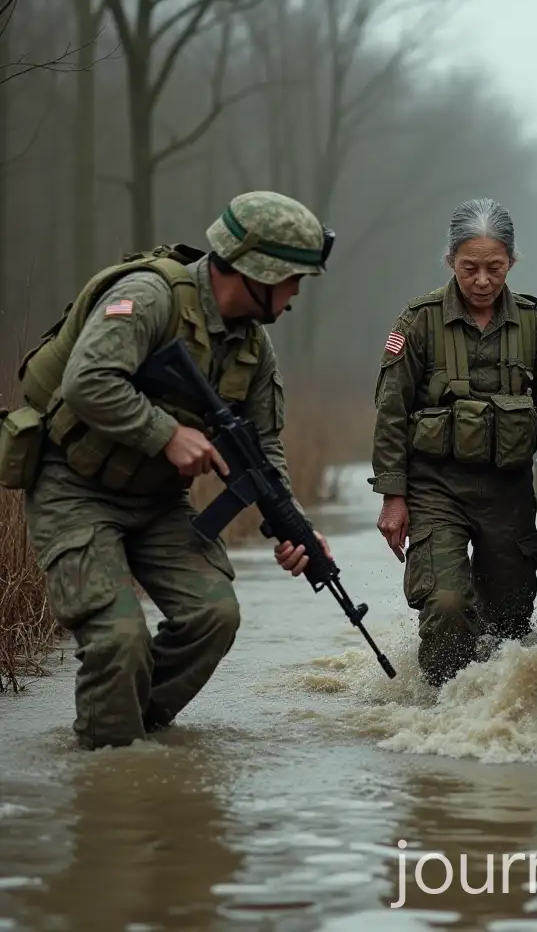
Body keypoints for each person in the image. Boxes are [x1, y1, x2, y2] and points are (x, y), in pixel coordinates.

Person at [15, 190, 333, 750]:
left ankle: (127, 740)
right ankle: (111, 775)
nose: (295, 296)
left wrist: (295, 525)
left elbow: (264, 449)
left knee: (213, 615)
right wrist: (166, 434)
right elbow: (86, 382)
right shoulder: (149, 297)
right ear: (260, 270)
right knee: (118, 639)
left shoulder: (255, 351)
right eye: (293, 280)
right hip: (75, 485)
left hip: (159, 501)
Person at [370, 197, 537, 685]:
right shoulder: (419, 322)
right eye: (470, 267)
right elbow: (391, 413)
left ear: (512, 262)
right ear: (450, 260)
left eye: (495, 267)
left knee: (510, 621)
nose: (482, 280)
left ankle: (493, 703)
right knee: (448, 604)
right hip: (435, 490)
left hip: (507, 494)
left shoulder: (532, 325)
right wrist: (393, 497)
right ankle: (443, 709)